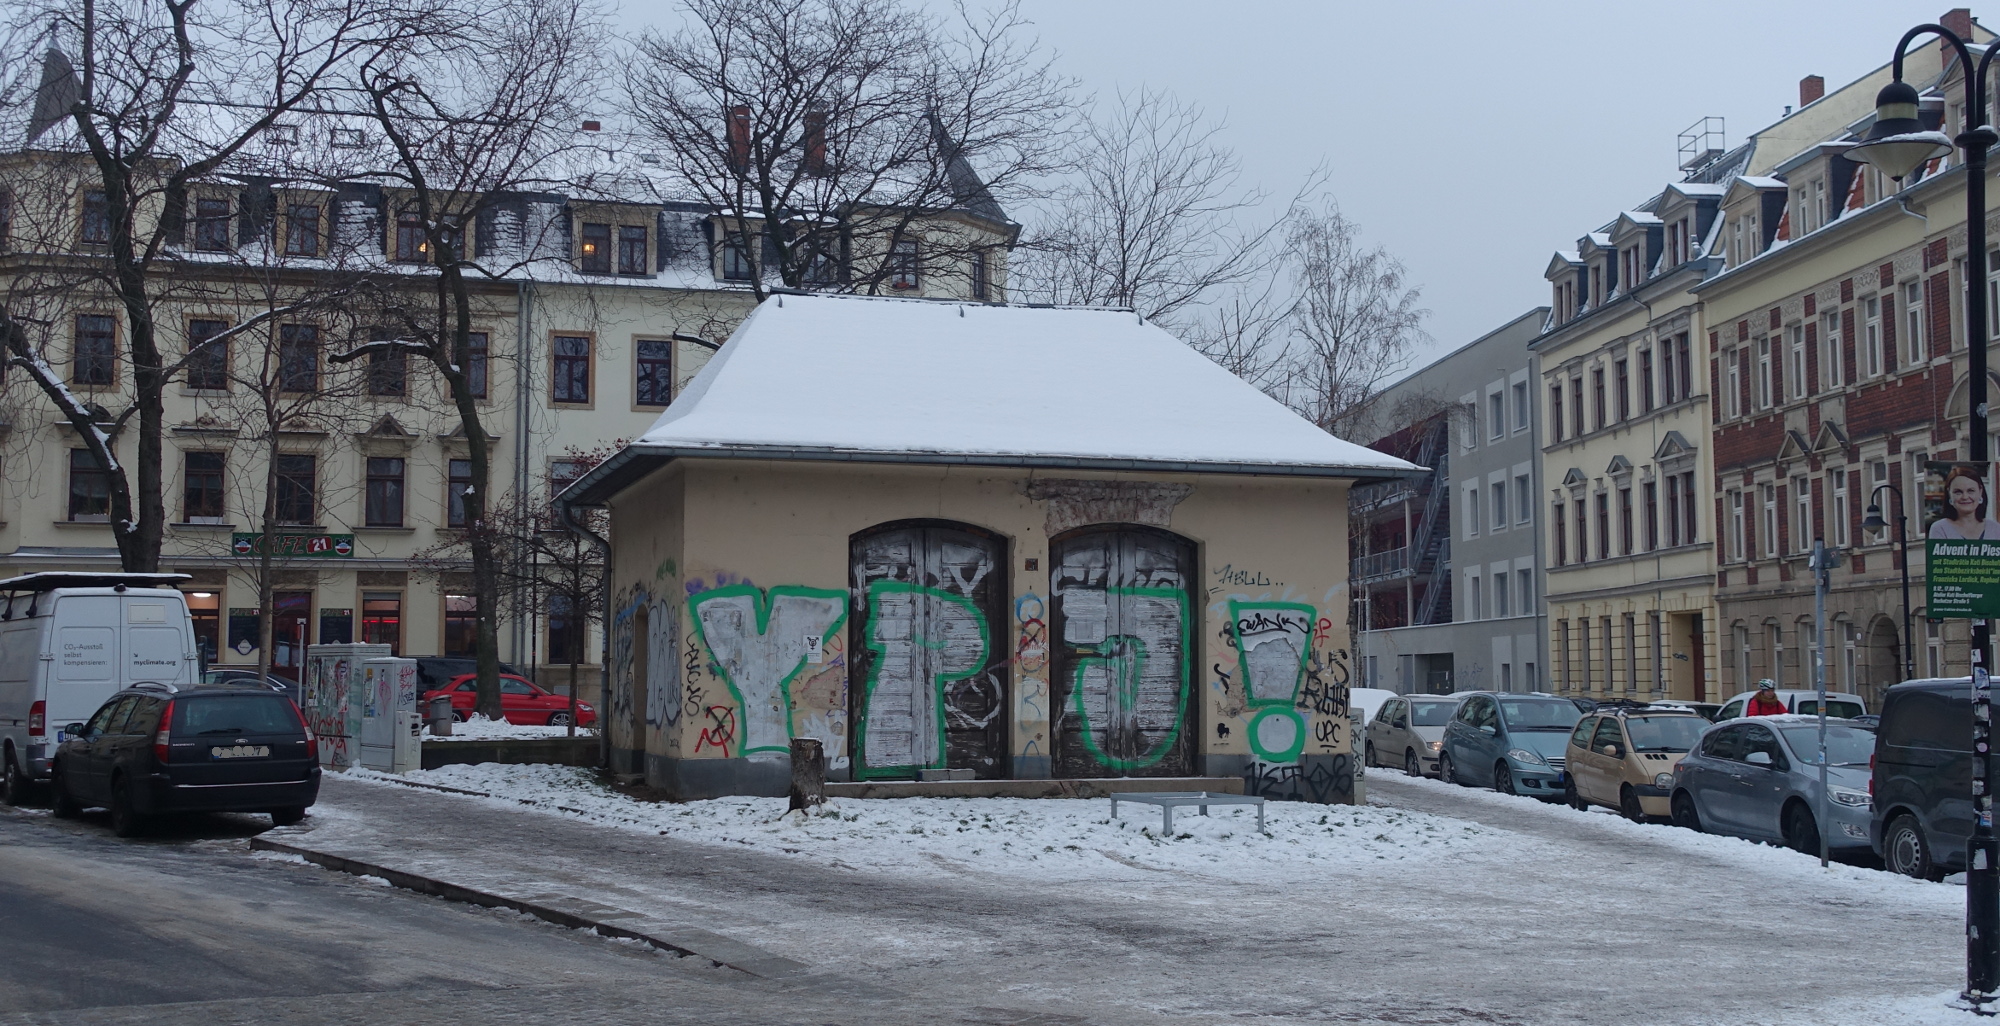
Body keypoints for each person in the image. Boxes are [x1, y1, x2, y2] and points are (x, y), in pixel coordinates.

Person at [1929, 466, 2000, 539]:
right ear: (1949, 494)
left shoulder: (1996, 528)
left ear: (1980, 491)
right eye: (1958, 492)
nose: (1965, 497)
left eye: (1971, 491)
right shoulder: (1939, 529)